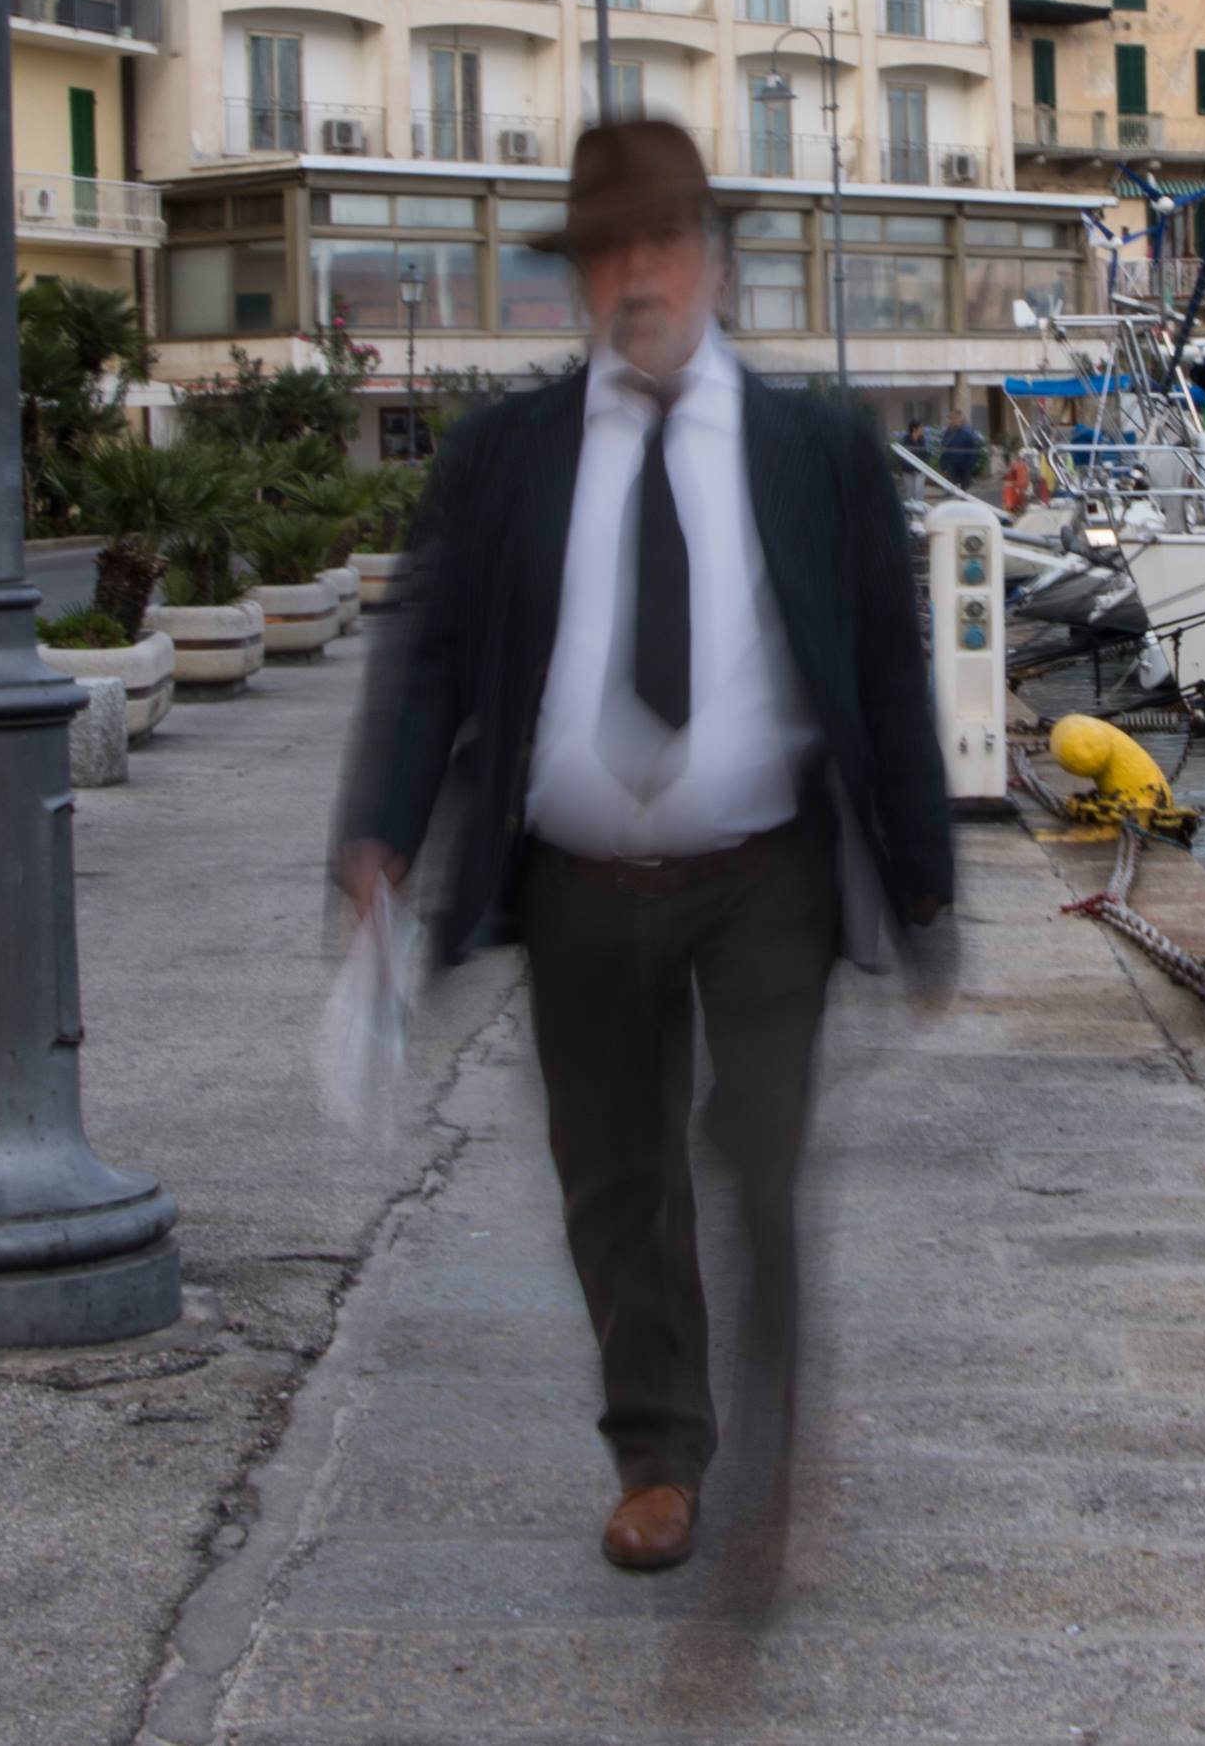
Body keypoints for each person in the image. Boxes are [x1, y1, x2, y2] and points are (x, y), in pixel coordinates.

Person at [335, 118, 952, 1578]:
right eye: (606, 250)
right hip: (577, 879)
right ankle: (660, 1455)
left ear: (715, 262)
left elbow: (885, 670)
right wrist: (382, 829)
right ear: (579, 277)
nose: (637, 276)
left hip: (765, 874)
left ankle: (774, 1465)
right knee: (614, 1177)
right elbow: (431, 656)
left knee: (757, 1153)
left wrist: (923, 880)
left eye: (663, 241)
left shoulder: (817, 453)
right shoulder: (507, 456)